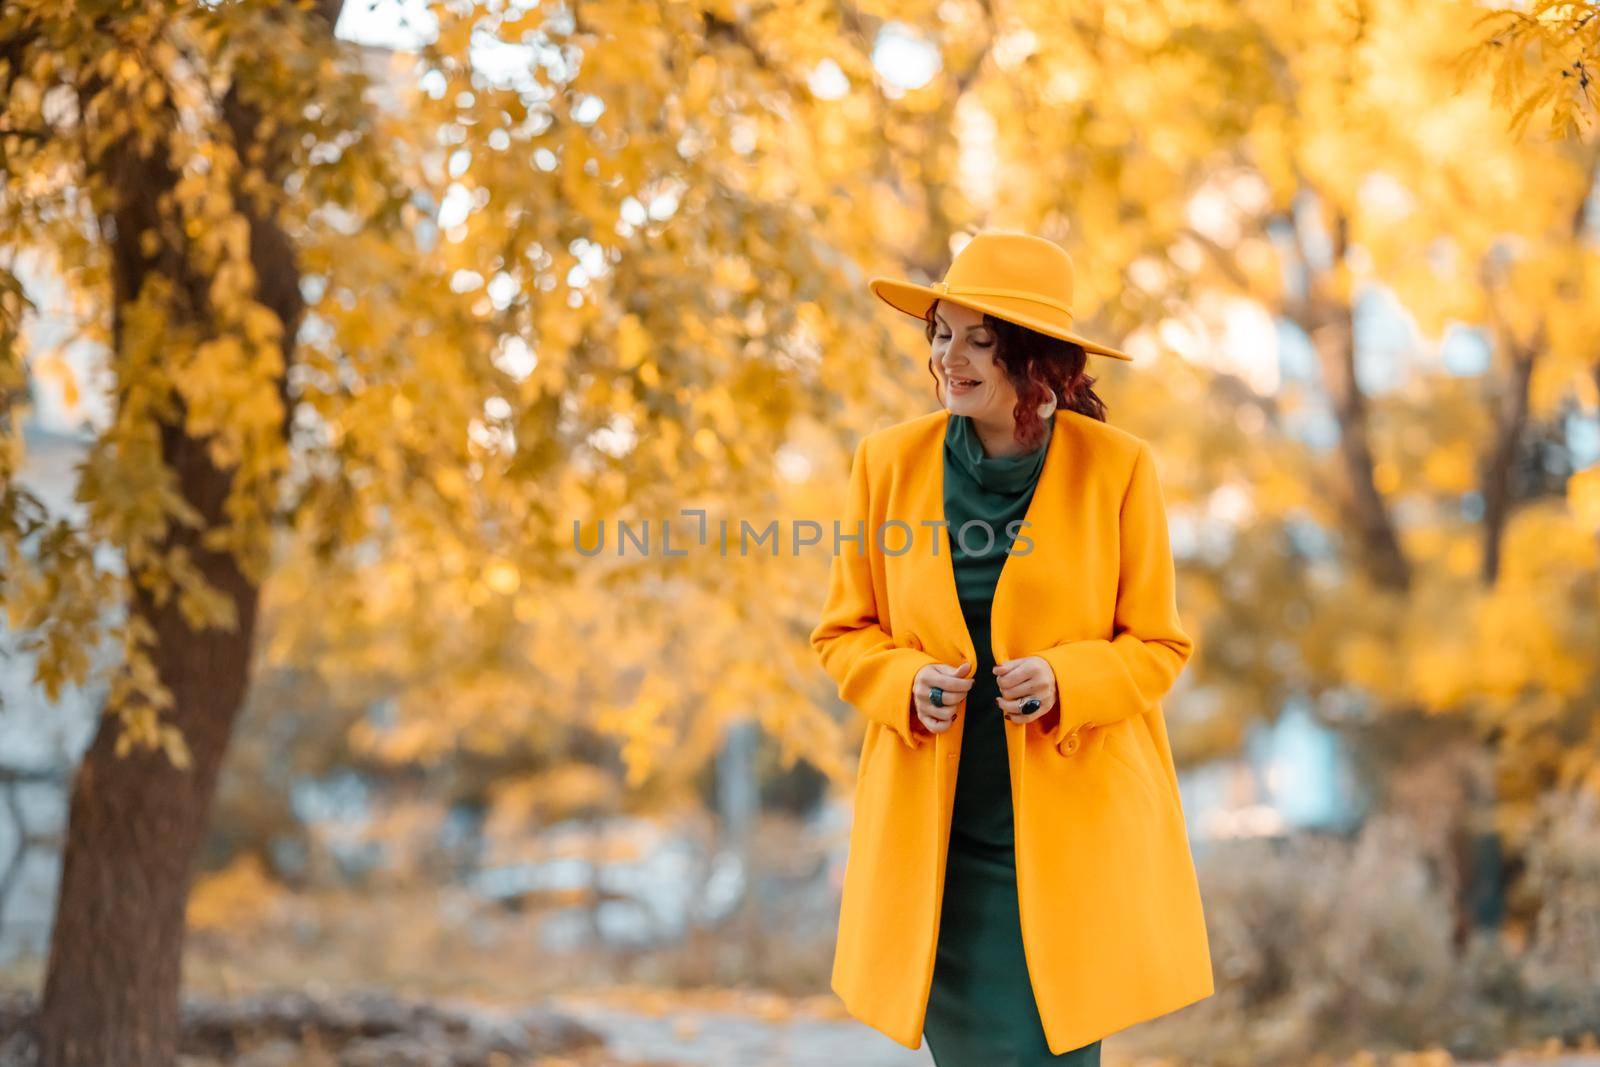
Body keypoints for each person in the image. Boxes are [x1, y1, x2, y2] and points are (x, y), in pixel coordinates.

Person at [810, 230, 1214, 1064]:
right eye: (940, 332)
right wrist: (905, 682)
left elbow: (1159, 645)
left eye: (976, 341)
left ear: (1034, 362)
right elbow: (842, 633)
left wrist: (1069, 677)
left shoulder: (1119, 469)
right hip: (940, 846)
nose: (946, 357)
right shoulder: (886, 465)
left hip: (1069, 848)